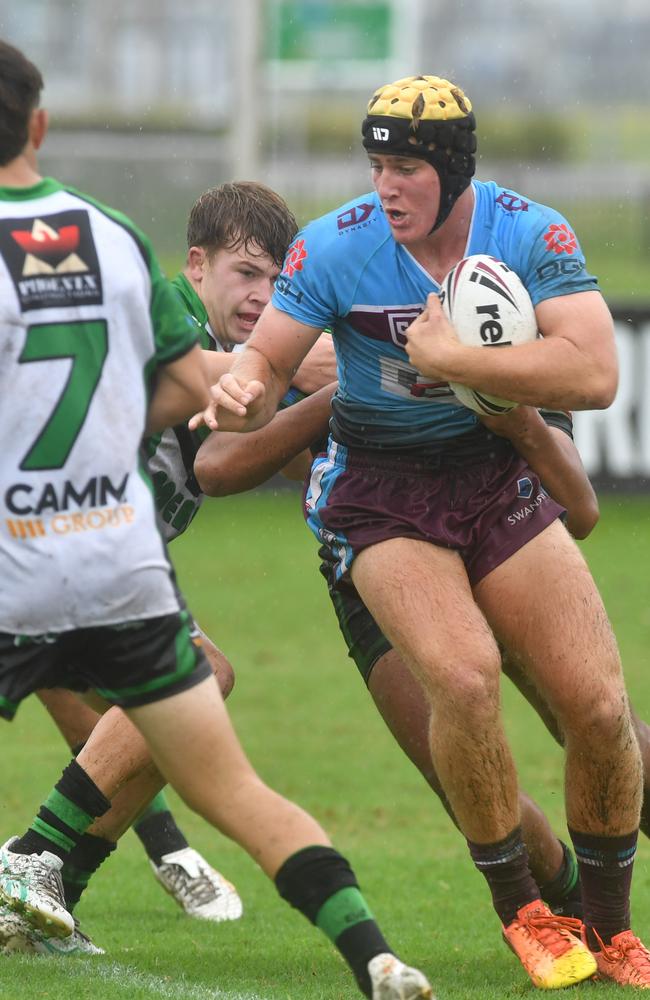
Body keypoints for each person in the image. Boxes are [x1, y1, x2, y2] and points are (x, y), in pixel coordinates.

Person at [195, 74, 650, 990]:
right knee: (463, 678)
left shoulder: (530, 232)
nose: (386, 187)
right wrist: (241, 385)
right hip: (385, 498)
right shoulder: (335, 246)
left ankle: (611, 929)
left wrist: (458, 360)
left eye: (405, 167)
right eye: (376, 165)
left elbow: (597, 373)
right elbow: (264, 358)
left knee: (600, 709)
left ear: (452, 168)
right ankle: (524, 911)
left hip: (495, 486)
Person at [0, 43, 434, 1000]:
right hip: (68, 549)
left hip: (86, 560)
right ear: (192, 265)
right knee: (192, 695)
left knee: (187, 691)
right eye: (243, 273)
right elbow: (297, 377)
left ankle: (44, 877)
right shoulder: (164, 310)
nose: (259, 298)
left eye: (278, 283)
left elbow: (315, 362)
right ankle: (37, 859)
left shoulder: (218, 331)